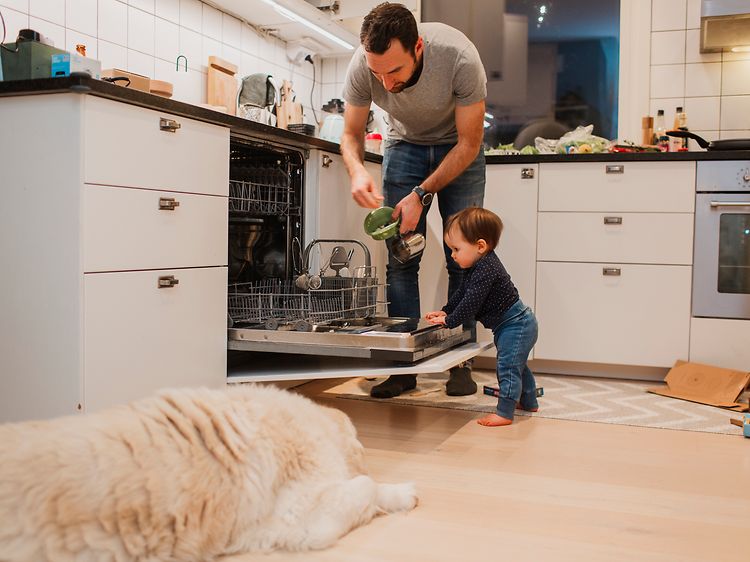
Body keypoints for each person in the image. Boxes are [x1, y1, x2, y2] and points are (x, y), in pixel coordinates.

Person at [340, 2, 487, 399]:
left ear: (418, 47)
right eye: (377, 74)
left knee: (464, 257)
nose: (385, 84)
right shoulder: (363, 65)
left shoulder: (459, 58)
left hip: (458, 149)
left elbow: (471, 142)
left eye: (395, 71)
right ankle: (403, 367)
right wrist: (357, 170)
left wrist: (422, 193)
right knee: (401, 257)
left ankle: (461, 360)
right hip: (403, 146)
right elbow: (351, 134)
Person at [425, 207, 539, 427]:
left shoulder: (487, 270)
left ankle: (505, 413)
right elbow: (462, 293)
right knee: (518, 365)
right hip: (514, 325)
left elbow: (470, 304)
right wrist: (446, 310)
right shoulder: (477, 268)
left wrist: (449, 321)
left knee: (507, 366)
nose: (453, 255)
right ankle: (529, 400)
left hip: (517, 325)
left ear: (480, 246)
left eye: (456, 249)